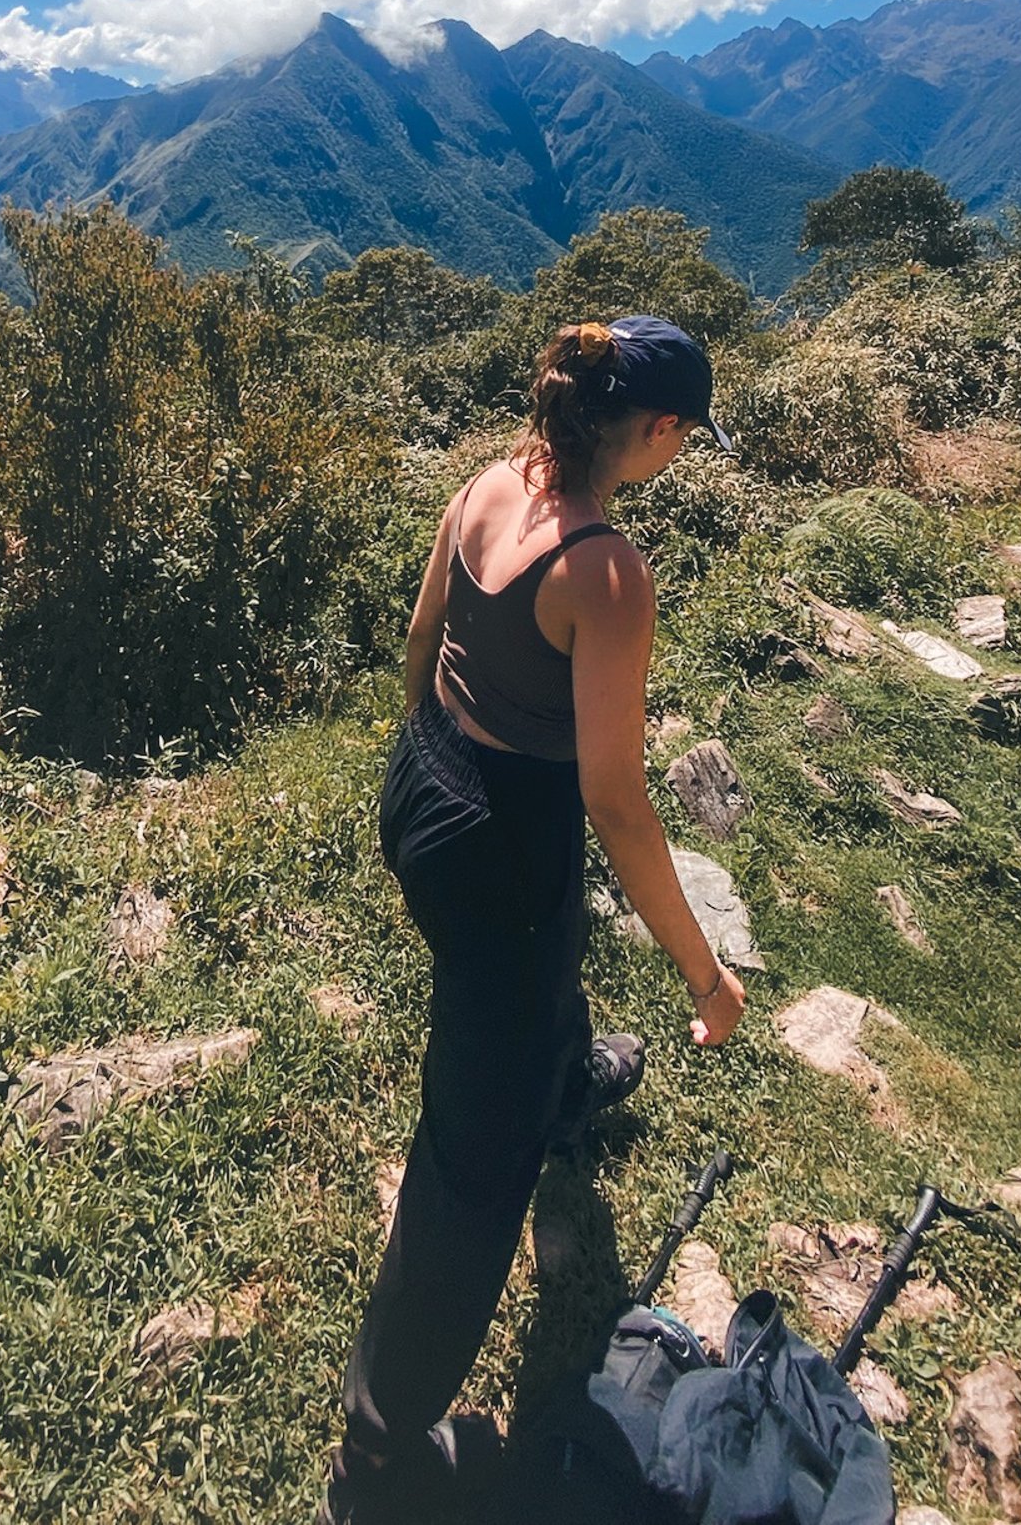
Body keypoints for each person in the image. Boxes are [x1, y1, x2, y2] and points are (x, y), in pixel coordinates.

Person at [319, 313, 748, 1525]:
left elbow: (420, 638)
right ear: (656, 430)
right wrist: (705, 977)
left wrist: (425, 758)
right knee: (468, 1166)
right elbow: (615, 800)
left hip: (433, 788)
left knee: (537, 964)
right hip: (510, 837)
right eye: (683, 437)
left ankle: (562, 1080)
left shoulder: (487, 483)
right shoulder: (606, 572)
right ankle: (379, 1462)